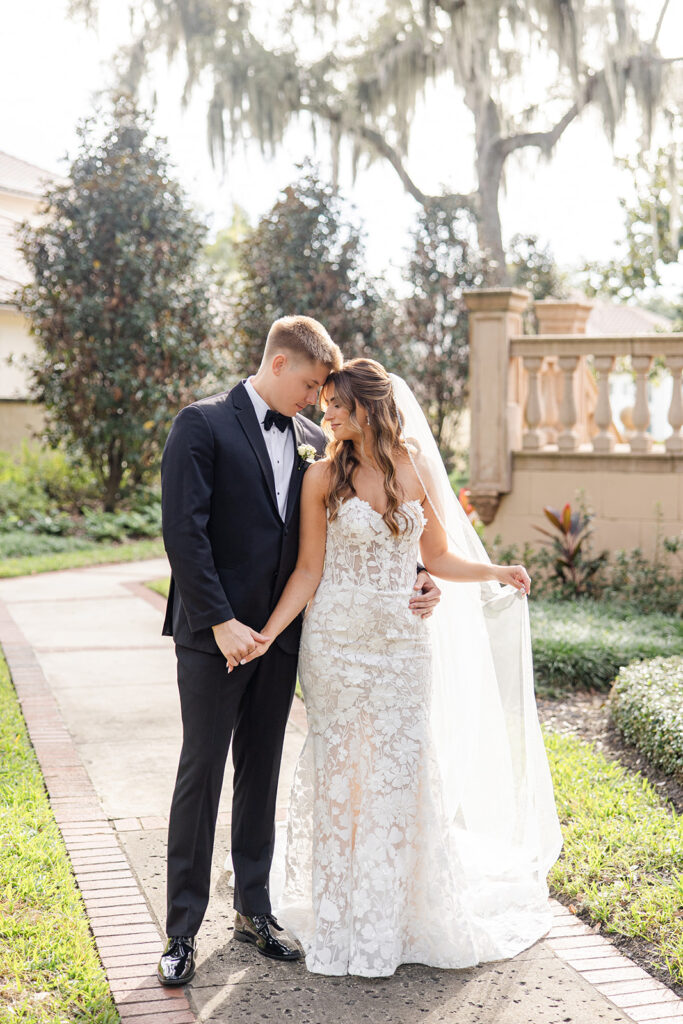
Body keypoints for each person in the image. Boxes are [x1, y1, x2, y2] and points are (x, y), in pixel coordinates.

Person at [240, 357, 563, 978]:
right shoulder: (321, 477)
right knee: (343, 773)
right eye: (324, 401)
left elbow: (436, 554)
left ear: (367, 406)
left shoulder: (410, 466)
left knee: (399, 771)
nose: (325, 412)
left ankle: (394, 917)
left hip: (402, 649)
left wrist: (496, 571)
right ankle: (342, 919)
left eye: (335, 403)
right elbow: (309, 570)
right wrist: (268, 634)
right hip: (335, 647)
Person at [157, 322, 442, 985]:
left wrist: (419, 580)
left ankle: (254, 910)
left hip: (285, 640)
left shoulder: (322, 446)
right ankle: (180, 930)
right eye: (311, 383)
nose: (318, 399)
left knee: (262, 775)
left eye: (326, 390)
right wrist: (222, 621)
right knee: (200, 775)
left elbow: (345, 543)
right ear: (278, 362)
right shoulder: (199, 425)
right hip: (214, 639)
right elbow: (183, 533)